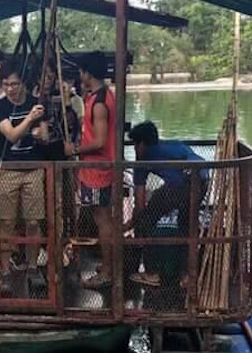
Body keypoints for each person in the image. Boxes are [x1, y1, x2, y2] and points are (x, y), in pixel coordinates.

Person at [0, 60, 48, 296]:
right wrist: (30, 120)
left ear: (24, 84)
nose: (10, 89)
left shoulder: (36, 104)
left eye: (14, 84)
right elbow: (11, 135)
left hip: (33, 170)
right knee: (6, 223)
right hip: (8, 171)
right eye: (6, 84)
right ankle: (4, 269)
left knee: (33, 221)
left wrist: (41, 131)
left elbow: (43, 135)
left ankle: (33, 267)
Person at [125, 121, 209, 287]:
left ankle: (152, 273)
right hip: (203, 178)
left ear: (142, 144)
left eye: (135, 145)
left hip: (182, 184)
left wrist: (133, 222)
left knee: (146, 220)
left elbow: (140, 203)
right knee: (187, 225)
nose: (135, 150)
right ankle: (188, 275)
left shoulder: (142, 160)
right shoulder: (172, 145)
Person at [66, 51, 118, 289]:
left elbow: (99, 141)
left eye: (81, 71)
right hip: (96, 168)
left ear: (87, 73)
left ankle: (107, 270)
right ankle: (108, 265)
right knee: (103, 217)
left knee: (103, 219)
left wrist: (75, 149)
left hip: (98, 170)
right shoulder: (100, 96)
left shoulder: (99, 103)